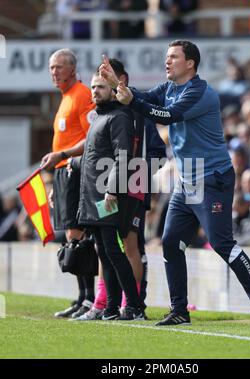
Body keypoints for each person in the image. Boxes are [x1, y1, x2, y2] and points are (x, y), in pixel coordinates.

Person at [100, 40, 250, 327]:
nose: (166, 61)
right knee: (170, 243)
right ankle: (180, 311)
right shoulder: (170, 87)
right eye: (166, 57)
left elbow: (167, 115)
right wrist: (117, 85)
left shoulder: (201, 93)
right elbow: (144, 97)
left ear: (190, 63)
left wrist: (130, 99)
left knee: (222, 244)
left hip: (212, 177)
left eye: (173, 57)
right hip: (188, 178)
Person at [72, 59, 166, 321]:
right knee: (105, 249)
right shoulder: (100, 118)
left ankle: (132, 304)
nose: (94, 90)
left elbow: (125, 156)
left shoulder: (126, 115)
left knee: (124, 247)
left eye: (101, 85)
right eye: (93, 86)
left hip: (123, 193)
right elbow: (95, 158)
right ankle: (110, 305)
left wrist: (118, 187)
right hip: (98, 195)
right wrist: (69, 161)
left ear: (118, 83)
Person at [41, 48, 97, 319]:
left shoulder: (83, 95)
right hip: (64, 174)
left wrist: (62, 156)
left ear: (73, 69)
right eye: (52, 68)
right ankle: (81, 297)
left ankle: (89, 298)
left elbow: (92, 138)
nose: (55, 72)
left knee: (78, 236)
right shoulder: (65, 98)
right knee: (70, 236)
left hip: (76, 171)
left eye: (59, 67)